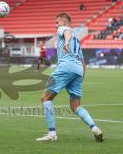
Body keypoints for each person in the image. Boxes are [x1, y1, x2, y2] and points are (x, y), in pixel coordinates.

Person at [36, 13, 103, 142]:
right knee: (75, 106)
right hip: (78, 70)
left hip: (65, 67)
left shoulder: (64, 30)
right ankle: (94, 128)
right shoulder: (76, 41)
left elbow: (66, 31)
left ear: (64, 22)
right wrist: (81, 77)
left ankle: (52, 134)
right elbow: (83, 61)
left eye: (57, 22)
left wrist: (66, 41)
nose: (56, 25)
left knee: (45, 98)